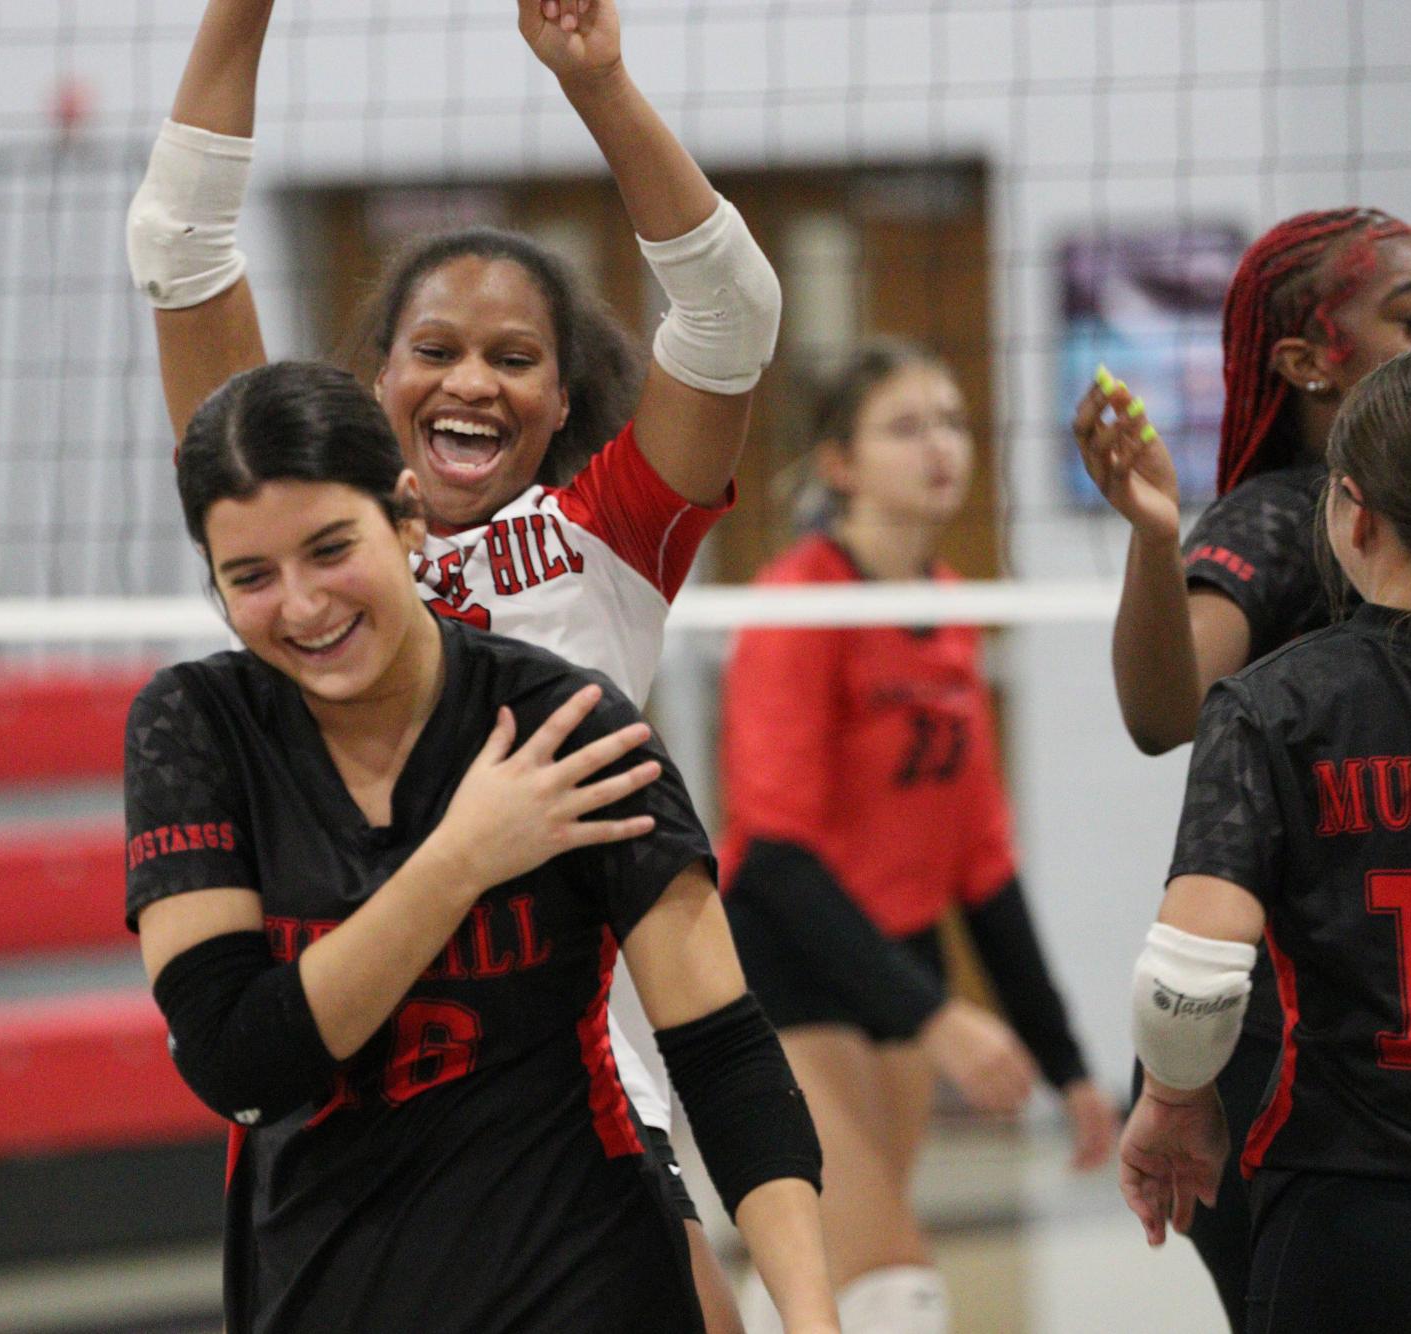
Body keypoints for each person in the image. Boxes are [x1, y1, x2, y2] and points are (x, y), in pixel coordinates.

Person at [128, 2, 780, 1323]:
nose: (471, 381)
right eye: (436, 350)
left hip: (569, 1071)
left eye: (513, 359)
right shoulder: (302, 531)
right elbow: (179, 247)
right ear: (375, 381)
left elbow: (727, 311)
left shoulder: (602, 541)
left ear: (559, 397)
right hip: (347, 1076)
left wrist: (596, 82)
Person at [127, 360, 835, 1333]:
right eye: (249, 576)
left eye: (331, 548)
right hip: (325, 1292)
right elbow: (239, 1059)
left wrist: (809, 1316)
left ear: (408, 516)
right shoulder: (196, 728)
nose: (301, 606)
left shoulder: (564, 722)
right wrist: (461, 857)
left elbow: (724, 1050)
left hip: (587, 1281)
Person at [1072, 207, 1411, 1322]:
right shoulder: (1287, 518)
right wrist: (1158, 543)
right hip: (1303, 1036)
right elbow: (1164, 711)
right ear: (1304, 363)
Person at [719, 342, 1118, 1334]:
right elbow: (772, 852)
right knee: (889, 1276)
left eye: (950, 421)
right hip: (788, 962)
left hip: (899, 961)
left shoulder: (950, 608)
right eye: (905, 426)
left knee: (835, 1286)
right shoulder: (797, 602)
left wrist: (1067, 1062)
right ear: (839, 463)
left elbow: (981, 864)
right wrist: (940, 1016)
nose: (939, 445)